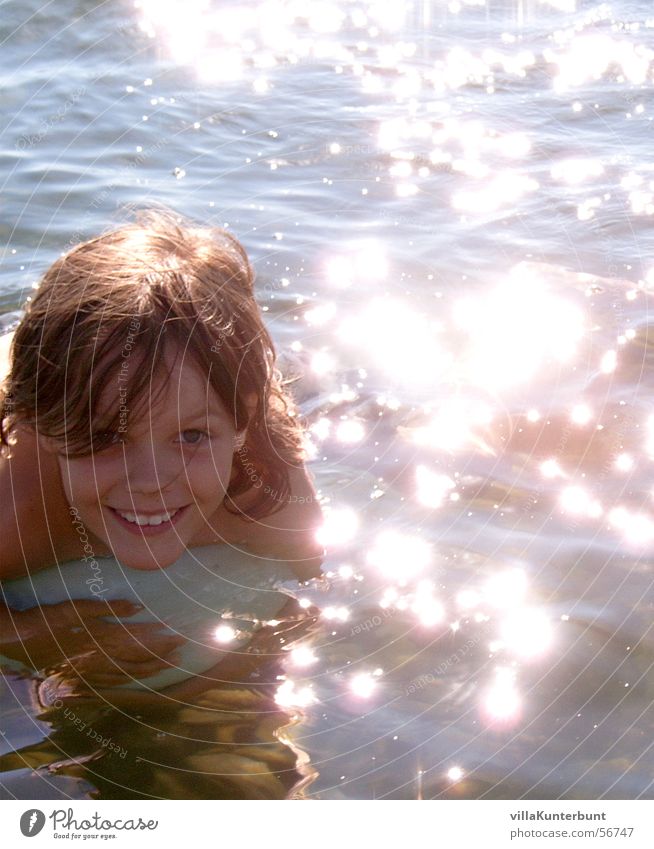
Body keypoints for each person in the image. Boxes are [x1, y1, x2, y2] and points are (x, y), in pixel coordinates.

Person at [0, 209, 323, 689]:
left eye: (191, 436)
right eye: (106, 437)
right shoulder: (13, 510)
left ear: (242, 421)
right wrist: (57, 634)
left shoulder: (265, 494)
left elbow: (306, 593)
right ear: (40, 425)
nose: (152, 482)